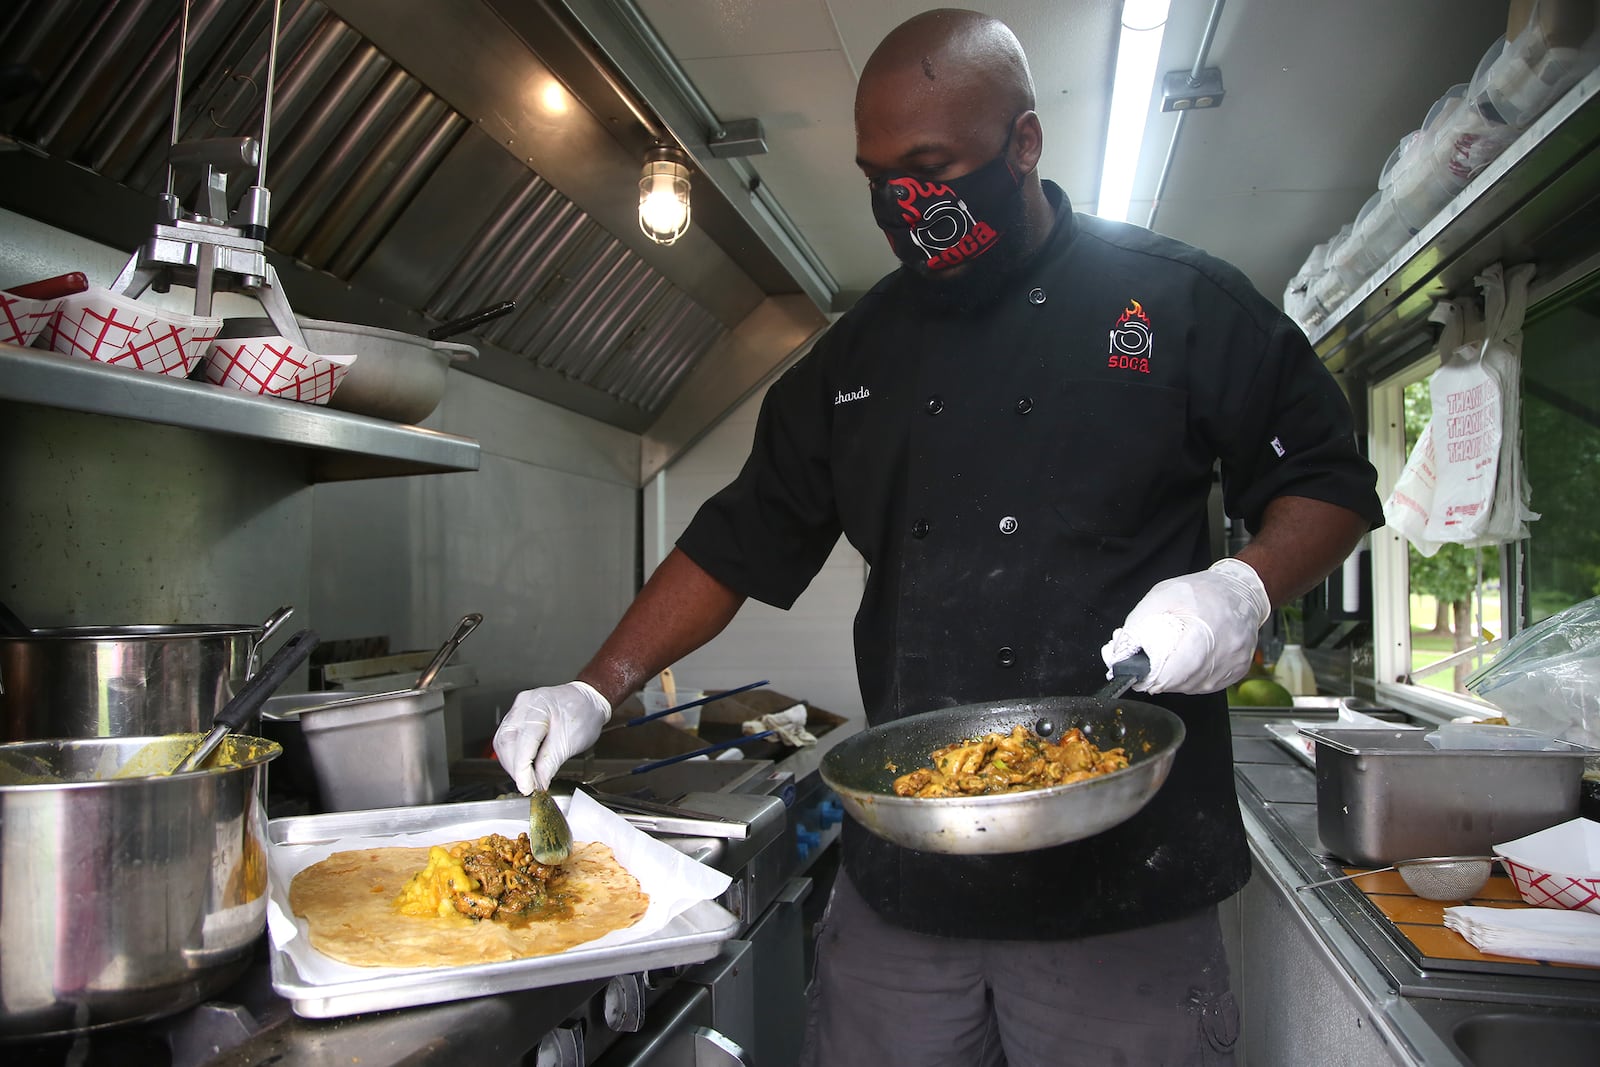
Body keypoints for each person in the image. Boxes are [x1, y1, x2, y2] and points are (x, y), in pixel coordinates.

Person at [496, 8, 1383, 1065]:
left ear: (1022, 143)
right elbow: (738, 537)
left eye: (930, 166)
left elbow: (1327, 481)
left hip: (1124, 885)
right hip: (907, 884)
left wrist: (1243, 584)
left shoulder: (1178, 303)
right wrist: (598, 685)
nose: (902, 204)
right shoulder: (853, 359)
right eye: (878, 176)